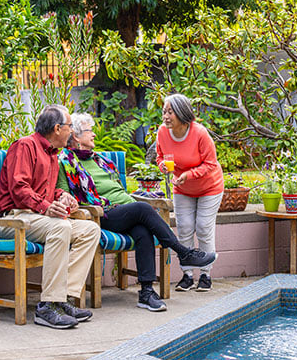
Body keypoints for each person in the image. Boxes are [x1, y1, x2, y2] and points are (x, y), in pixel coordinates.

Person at [57, 112, 217, 313]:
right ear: (77, 137)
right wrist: (65, 198)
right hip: (102, 215)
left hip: (125, 210)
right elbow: (63, 192)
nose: (94, 135)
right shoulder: (65, 162)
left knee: (142, 230)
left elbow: (118, 189)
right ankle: (183, 252)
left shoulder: (99, 159)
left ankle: (146, 292)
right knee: (142, 209)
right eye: (90, 131)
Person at [0, 105, 101, 330]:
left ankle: (65, 299)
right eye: (70, 127)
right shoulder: (25, 146)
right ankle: (47, 306)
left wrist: (62, 197)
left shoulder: (53, 154)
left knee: (90, 230)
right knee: (60, 227)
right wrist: (46, 207)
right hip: (13, 218)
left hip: (36, 217)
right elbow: (19, 189)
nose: (72, 132)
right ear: (57, 128)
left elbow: (47, 191)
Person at [156, 94, 224, 292]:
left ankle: (205, 274)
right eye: (164, 112)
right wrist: (162, 166)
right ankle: (187, 275)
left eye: (170, 112)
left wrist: (190, 174)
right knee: (184, 227)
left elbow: (211, 163)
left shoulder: (199, 133)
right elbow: (160, 156)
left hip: (209, 187)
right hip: (182, 186)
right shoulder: (162, 132)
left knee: (203, 227)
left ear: (182, 113)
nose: (165, 116)